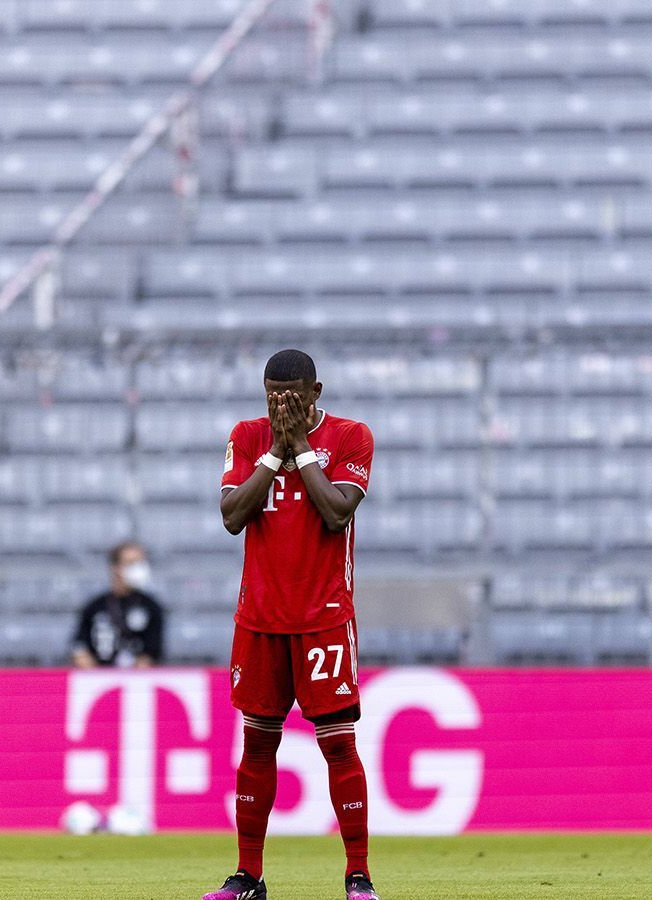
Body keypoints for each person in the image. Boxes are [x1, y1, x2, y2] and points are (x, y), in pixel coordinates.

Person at [202, 349, 379, 900]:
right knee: (257, 747)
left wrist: (299, 446)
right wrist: (276, 451)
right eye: (273, 396)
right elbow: (233, 517)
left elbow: (335, 511)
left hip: (323, 618)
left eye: (294, 397)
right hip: (259, 620)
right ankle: (248, 876)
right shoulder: (248, 435)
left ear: (316, 392)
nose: (282, 406)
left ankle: (358, 876)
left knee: (338, 747)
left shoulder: (351, 436)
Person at [70, 541, 165, 668]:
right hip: (98, 678)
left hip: (136, 681)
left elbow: (152, 653)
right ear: (115, 567)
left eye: (141, 563)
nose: (138, 568)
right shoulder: (95, 606)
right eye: (131, 563)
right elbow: (80, 646)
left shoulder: (151, 607)